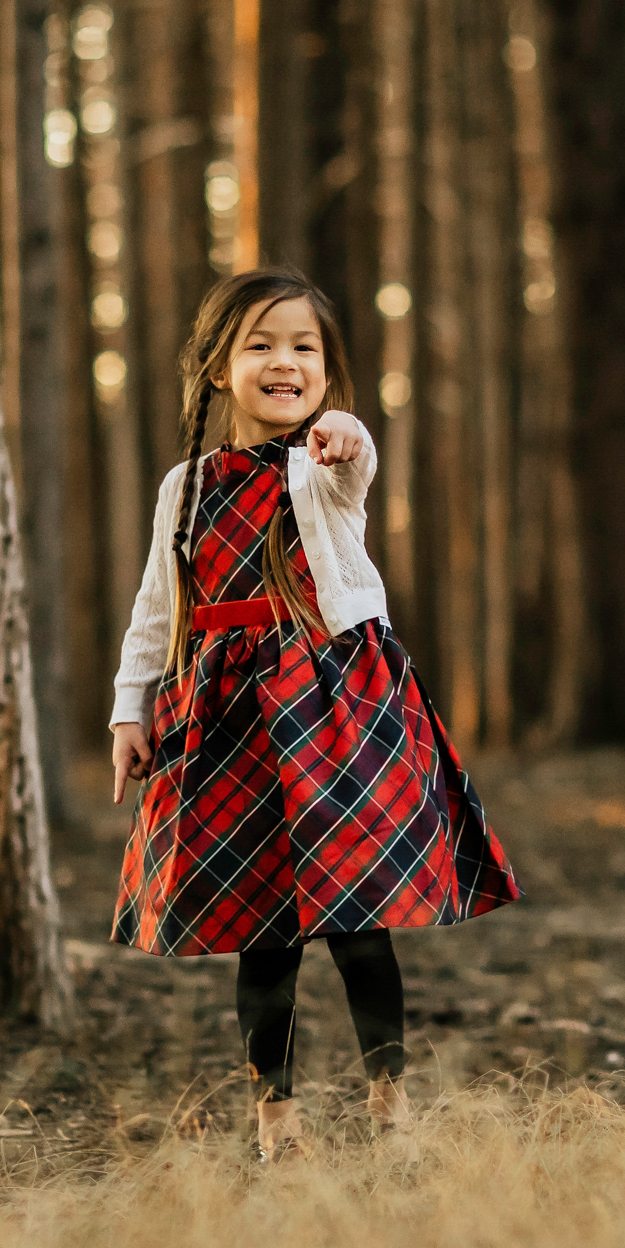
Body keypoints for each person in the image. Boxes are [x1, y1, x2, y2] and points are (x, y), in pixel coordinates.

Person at [109, 265, 519, 1161]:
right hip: (228, 722)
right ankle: (275, 1120)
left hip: (333, 712)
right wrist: (127, 709)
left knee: (357, 919)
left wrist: (342, 433)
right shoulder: (184, 486)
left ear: (327, 372)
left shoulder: (321, 469)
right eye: (260, 345)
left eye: (305, 349)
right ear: (218, 367)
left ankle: (390, 1100)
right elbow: (155, 606)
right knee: (263, 932)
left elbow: (357, 455)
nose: (284, 362)